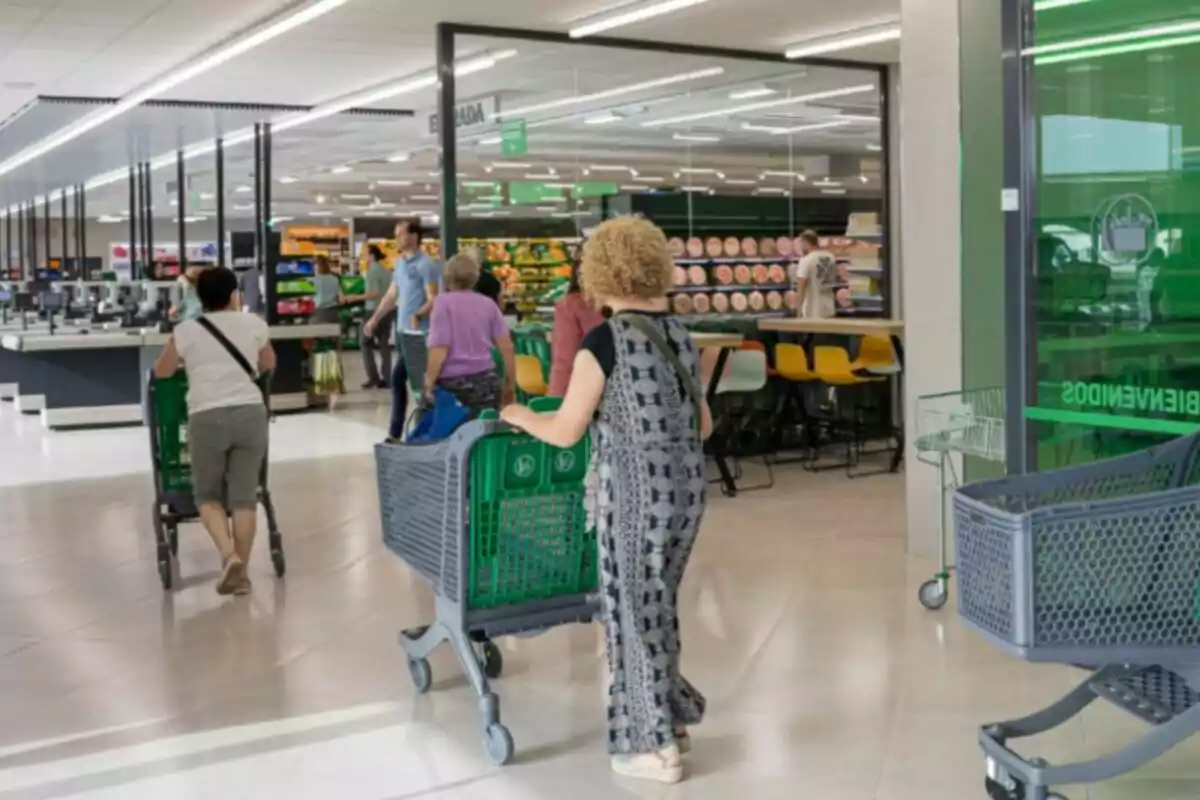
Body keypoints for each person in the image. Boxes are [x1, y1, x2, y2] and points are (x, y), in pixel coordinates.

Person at [500, 217, 712, 785]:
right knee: (657, 606)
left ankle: (650, 746)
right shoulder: (682, 335)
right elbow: (704, 424)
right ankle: (669, 718)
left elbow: (568, 429)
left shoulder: (605, 340)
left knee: (627, 615)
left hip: (636, 496)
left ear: (598, 273)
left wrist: (520, 415)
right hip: (687, 492)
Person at [153, 267, 275, 597]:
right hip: (251, 415)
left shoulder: (186, 330)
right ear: (234, 294)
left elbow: (161, 372)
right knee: (245, 498)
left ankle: (229, 556)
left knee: (207, 496)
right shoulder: (255, 324)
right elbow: (268, 364)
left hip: (207, 416)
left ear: (199, 296)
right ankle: (243, 574)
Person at [363, 218, 442, 441]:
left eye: (401, 234)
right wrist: (375, 319)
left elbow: (433, 299)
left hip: (419, 336)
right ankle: (400, 433)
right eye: (396, 234)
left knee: (418, 385)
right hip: (402, 333)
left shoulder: (426, 265)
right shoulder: (400, 263)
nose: (397, 238)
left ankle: (417, 433)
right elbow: (391, 294)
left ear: (415, 236)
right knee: (400, 381)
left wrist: (418, 314)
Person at [422, 254, 516, 415]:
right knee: (484, 433)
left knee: (444, 433)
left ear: (447, 277)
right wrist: (510, 384)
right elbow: (506, 347)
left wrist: (429, 382)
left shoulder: (442, 303)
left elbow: (439, 348)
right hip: (487, 382)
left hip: (452, 385)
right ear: (475, 278)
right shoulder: (488, 304)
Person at [549, 259, 606, 397]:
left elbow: (565, 361)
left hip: (589, 396)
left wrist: (556, 402)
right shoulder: (639, 304)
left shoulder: (572, 306)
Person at [351, 245, 395, 389]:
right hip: (388, 311)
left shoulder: (371, 271)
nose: (363, 256)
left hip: (372, 311)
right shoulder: (386, 271)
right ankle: (387, 378)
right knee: (384, 345)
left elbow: (374, 293)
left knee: (364, 343)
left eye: (365, 253)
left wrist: (354, 297)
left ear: (371, 255)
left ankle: (373, 377)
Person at [794, 229, 837, 319]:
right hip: (829, 308)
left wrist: (798, 310)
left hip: (812, 310)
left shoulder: (806, 260)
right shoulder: (831, 257)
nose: (800, 247)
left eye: (801, 243)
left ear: (806, 242)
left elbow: (801, 286)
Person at [311, 255, 344, 324]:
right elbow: (342, 300)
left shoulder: (310, 281)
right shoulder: (335, 279)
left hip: (317, 315)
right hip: (333, 315)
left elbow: (305, 298)